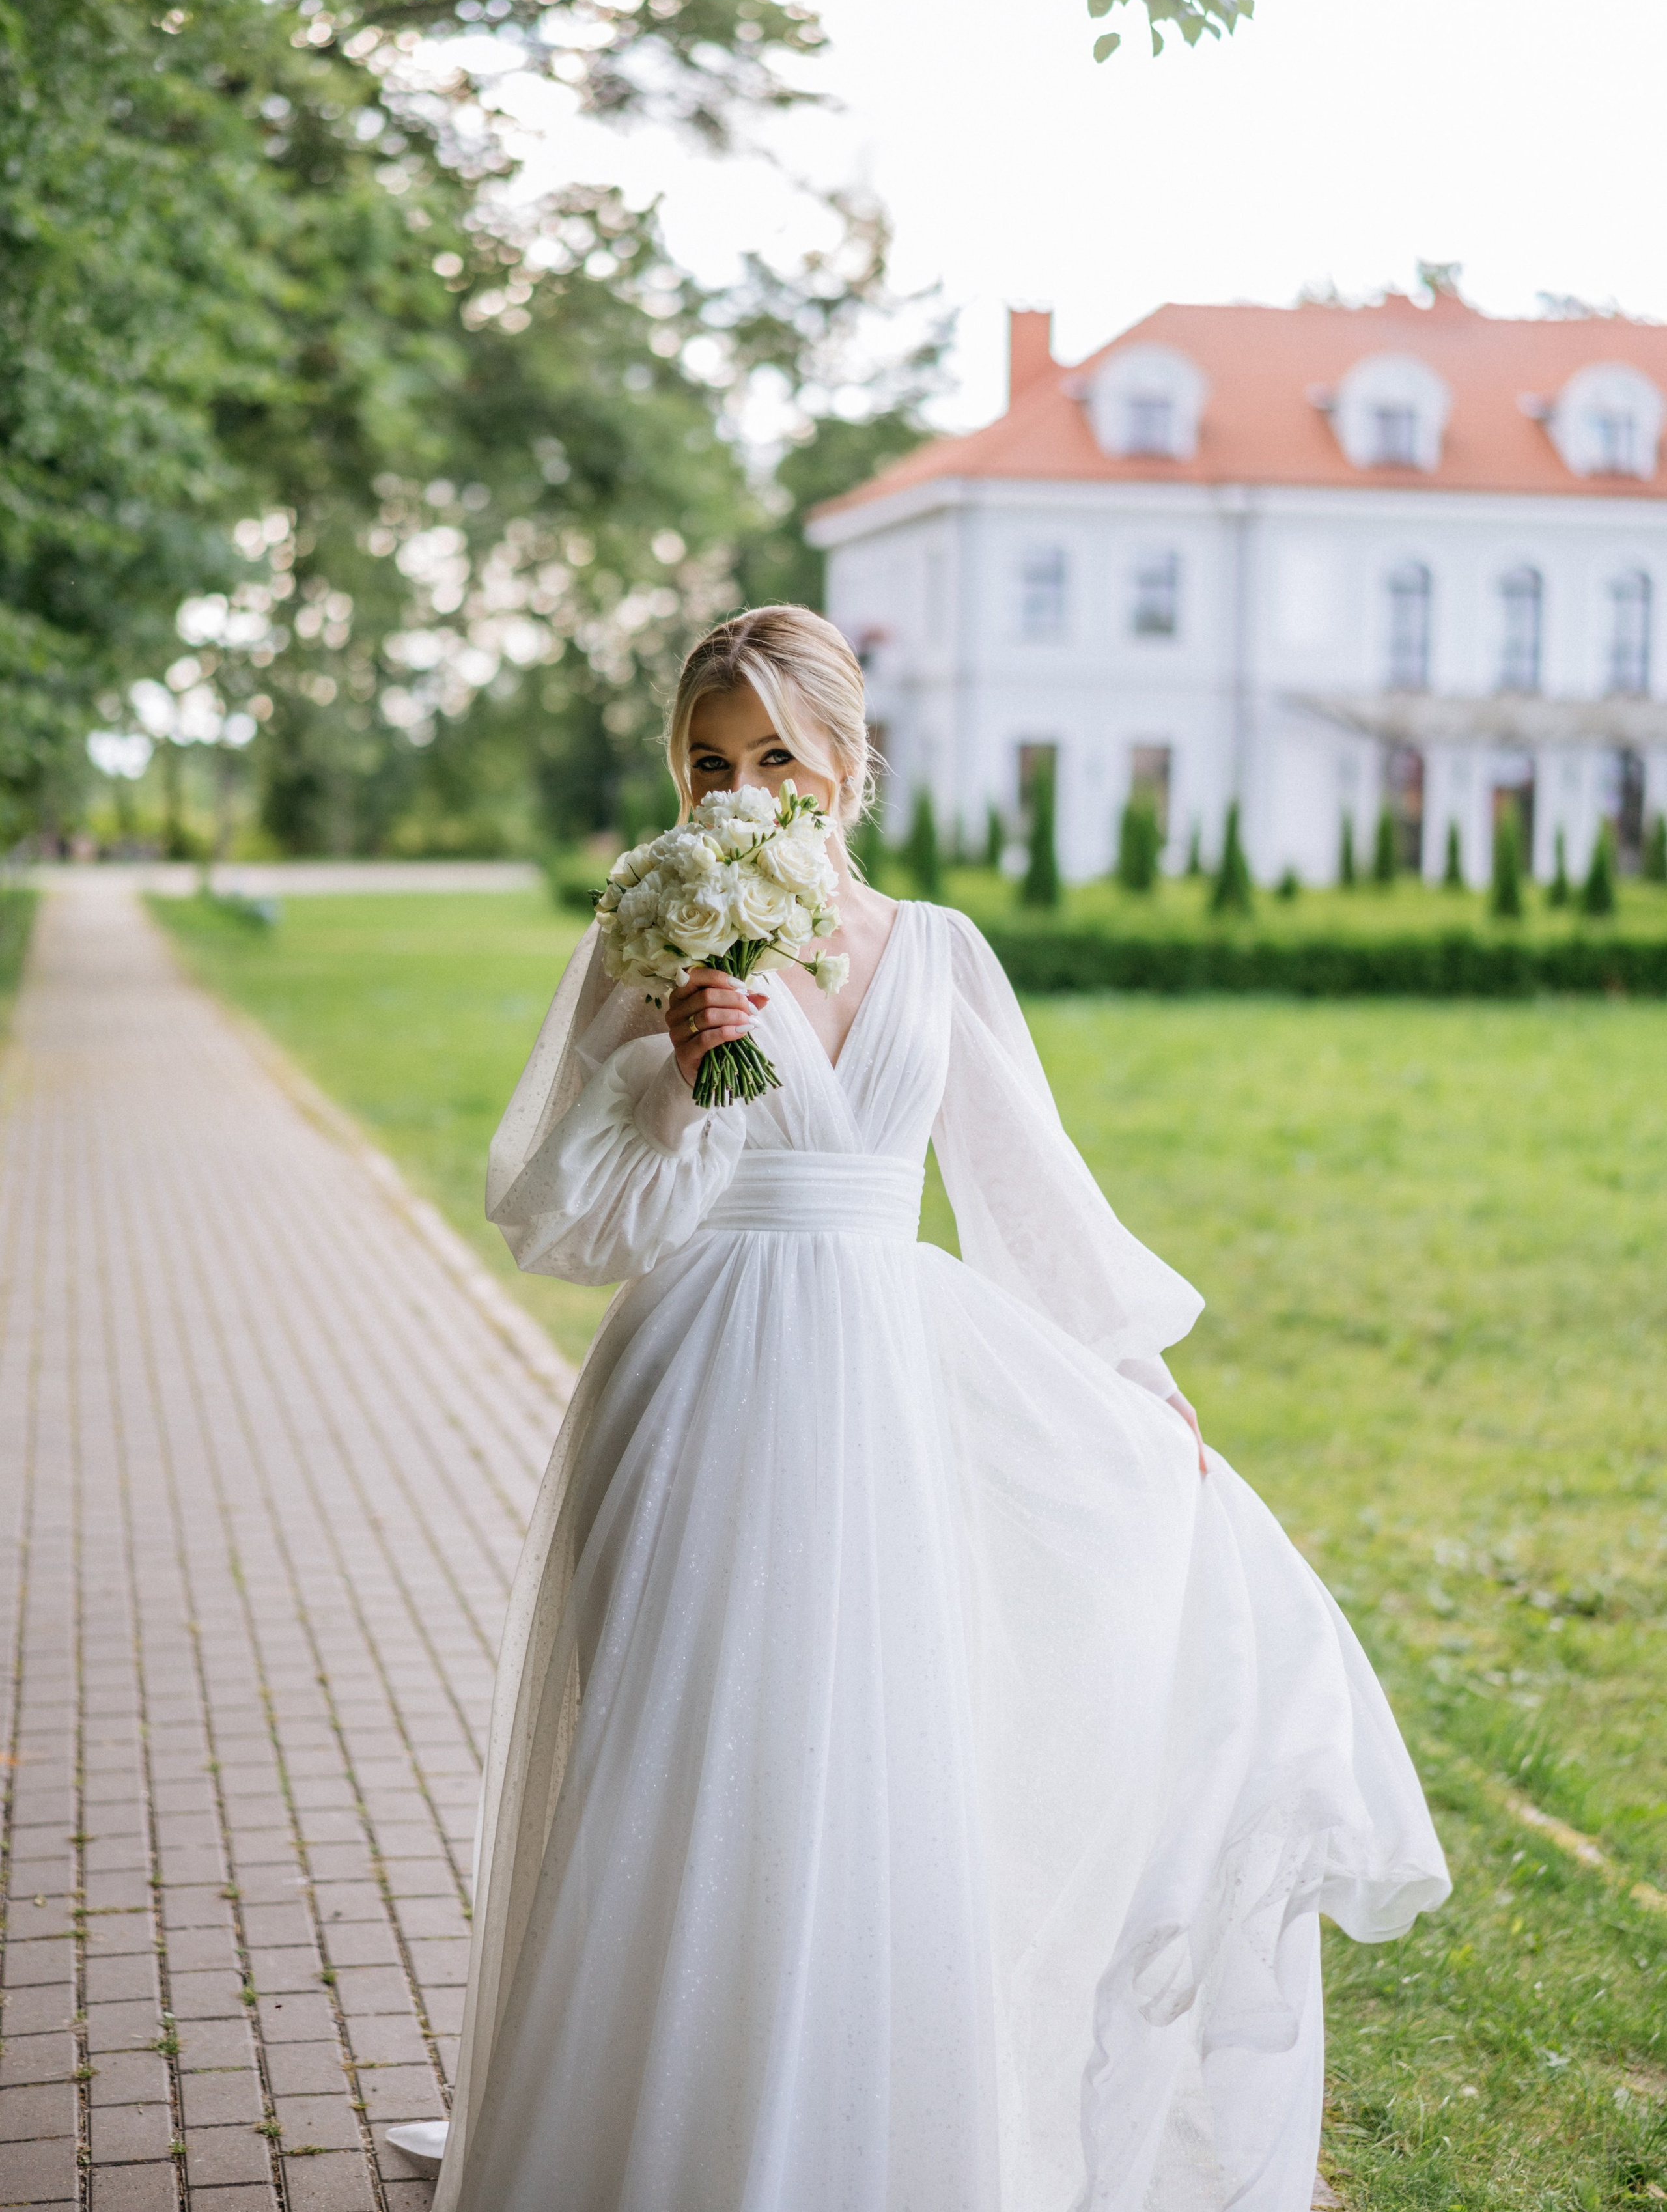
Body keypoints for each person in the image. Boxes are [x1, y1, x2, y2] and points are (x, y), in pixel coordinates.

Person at [400, 605, 1448, 2212]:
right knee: (691, 1763)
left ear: (846, 762)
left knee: (878, 1757)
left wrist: (1136, 1378)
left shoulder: (938, 950)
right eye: (707, 761)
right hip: (700, 1383)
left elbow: (1028, 1192)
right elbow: (561, 1219)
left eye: (775, 755)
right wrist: (671, 1077)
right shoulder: (652, 935)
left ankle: (861, 2140)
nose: (739, 790)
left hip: (887, 1388)